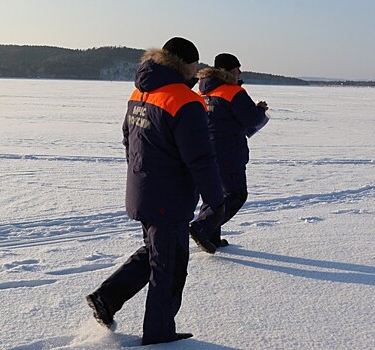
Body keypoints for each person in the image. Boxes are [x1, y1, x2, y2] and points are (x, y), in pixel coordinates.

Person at [86, 37, 225, 346]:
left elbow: (128, 138)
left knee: (156, 252)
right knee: (170, 265)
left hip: (143, 190)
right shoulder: (184, 100)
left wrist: (140, 174)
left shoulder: (141, 90)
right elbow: (200, 158)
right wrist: (216, 200)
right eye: (195, 65)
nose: (196, 71)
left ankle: (107, 298)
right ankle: (159, 333)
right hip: (168, 198)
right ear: (186, 64)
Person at [188, 53, 268, 254]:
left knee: (214, 195)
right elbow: (251, 120)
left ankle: (212, 235)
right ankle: (202, 227)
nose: (240, 72)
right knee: (236, 194)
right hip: (228, 152)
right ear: (227, 71)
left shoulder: (201, 92)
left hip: (204, 150)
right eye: (237, 68)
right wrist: (260, 110)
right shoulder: (233, 92)